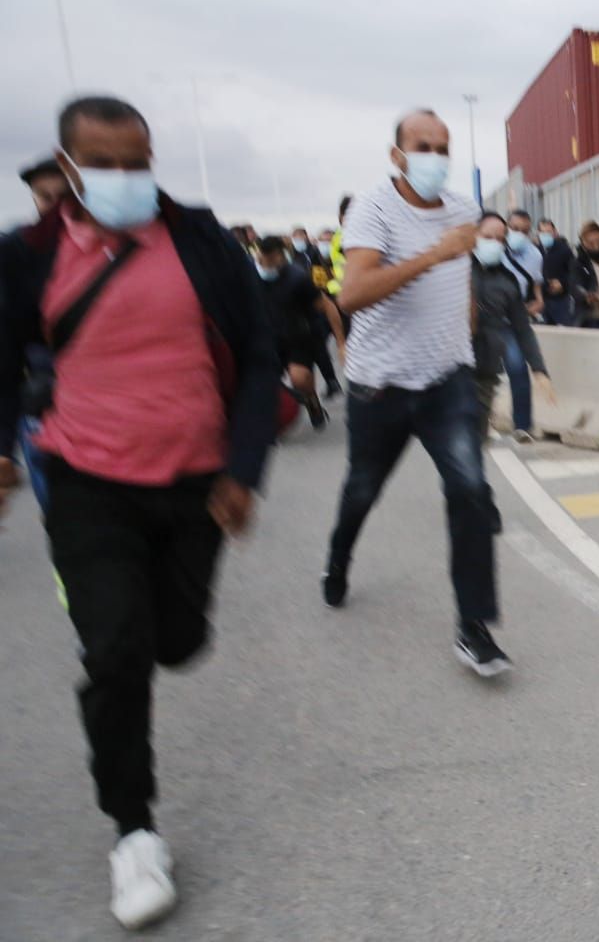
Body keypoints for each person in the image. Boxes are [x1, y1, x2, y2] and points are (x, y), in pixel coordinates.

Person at [0, 95, 278, 928]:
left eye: (139, 161)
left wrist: (242, 471)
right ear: (71, 167)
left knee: (177, 642)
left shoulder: (201, 240)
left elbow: (260, 357)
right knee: (117, 650)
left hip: (194, 485)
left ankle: (114, 613)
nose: (128, 178)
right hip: (86, 479)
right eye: (108, 163)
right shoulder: (30, 257)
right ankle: (134, 831)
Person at [320, 108, 510, 679]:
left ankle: (474, 628)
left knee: (471, 491)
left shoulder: (463, 210)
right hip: (380, 386)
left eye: (443, 146)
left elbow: (465, 281)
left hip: (445, 380)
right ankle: (338, 557)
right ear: (397, 155)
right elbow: (352, 295)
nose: (435, 157)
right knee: (362, 489)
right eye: (423, 146)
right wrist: (433, 254)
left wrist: (469, 341)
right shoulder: (373, 208)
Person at [2, 158, 76, 514]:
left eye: (64, 196)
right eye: (44, 197)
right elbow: (7, 354)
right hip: (43, 407)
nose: (54, 207)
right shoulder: (17, 252)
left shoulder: (120, 250)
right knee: (61, 517)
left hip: (116, 406)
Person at [472, 211, 555, 438]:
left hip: (484, 377)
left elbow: (523, 328)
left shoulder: (506, 282)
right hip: (452, 376)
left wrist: (539, 369)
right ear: (473, 235)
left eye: (500, 239)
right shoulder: (454, 270)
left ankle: (522, 425)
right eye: (488, 237)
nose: (495, 244)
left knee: (468, 455)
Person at [255, 235, 341, 430]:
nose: (264, 264)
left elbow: (326, 306)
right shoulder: (252, 277)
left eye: (268, 260)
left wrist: (341, 341)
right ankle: (273, 421)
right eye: (261, 259)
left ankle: (312, 402)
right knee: (265, 384)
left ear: (279, 257)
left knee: (299, 379)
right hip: (268, 339)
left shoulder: (298, 278)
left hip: (298, 337)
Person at [289, 225, 344, 399]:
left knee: (342, 343)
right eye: (323, 240)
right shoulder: (307, 257)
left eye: (329, 241)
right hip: (319, 306)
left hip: (340, 304)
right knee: (318, 345)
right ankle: (330, 382)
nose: (325, 244)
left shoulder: (338, 256)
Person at [537, 217, 575, 326]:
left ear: (555, 232)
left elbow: (573, 273)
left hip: (561, 300)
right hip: (542, 300)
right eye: (542, 232)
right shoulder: (534, 251)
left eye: (548, 232)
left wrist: (562, 283)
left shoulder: (564, 250)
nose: (545, 235)